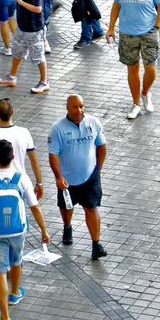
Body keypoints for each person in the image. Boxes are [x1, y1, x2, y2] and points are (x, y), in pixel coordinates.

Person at [0, 140, 50, 320]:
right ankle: (14, 293)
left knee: (0, 272)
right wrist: (44, 231)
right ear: (13, 157)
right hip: (18, 230)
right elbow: (34, 206)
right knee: (16, 261)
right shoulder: (22, 179)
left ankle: (5, 317)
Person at [106, 0, 160, 119]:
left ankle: (145, 92)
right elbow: (116, 5)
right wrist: (111, 28)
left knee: (150, 69)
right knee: (132, 68)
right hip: (127, 34)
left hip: (148, 33)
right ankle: (136, 103)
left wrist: (157, 27)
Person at [48, 95, 107, 257]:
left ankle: (96, 245)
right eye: (75, 107)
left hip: (90, 177)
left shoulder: (93, 123)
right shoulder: (57, 129)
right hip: (67, 179)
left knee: (91, 208)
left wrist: (98, 169)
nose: (79, 110)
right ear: (67, 108)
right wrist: (58, 177)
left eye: (82, 106)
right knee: (66, 206)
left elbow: (101, 146)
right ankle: (67, 227)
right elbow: (53, 155)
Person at [0, 0, 49, 94]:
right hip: (22, 27)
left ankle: (44, 82)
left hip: (34, 28)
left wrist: (19, 1)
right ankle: (11, 77)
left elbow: (38, 8)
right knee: (17, 50)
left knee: (38, 56)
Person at [0, 99, 43, 195]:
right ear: (12, 112)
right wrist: (39, 183)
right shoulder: (24, 133)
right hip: (20, 183)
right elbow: (34, 160)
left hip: (0, 184)